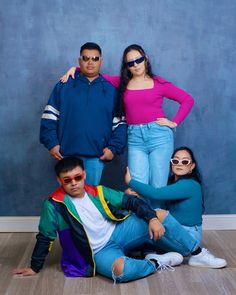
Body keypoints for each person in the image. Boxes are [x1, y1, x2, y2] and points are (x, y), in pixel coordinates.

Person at [13, 156, 210, 283]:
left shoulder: (97, 191)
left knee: (159, 214)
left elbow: (131, 202)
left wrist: (151, 218)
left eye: (77, 177)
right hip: (98, 251)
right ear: (59, 181)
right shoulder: (53, 204)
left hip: (119, 231)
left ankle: (197, 253)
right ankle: (156, 262)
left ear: (84, 175)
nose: (73, 183)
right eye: (67, 180)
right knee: (121, 271)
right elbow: (45, 236)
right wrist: (34, 266)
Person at [60, 44, 194, 207]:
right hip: (135, 138)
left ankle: (158, 226)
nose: (135, 65)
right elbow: (94, 73)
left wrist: (173, 122)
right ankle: (142, 227)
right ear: (127, 66)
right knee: (137, 185)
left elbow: (187, 100)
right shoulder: (122, 83)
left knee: (158, 185)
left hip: (159, 136)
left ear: (146, 59)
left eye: (138, 60)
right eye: (130, 63)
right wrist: (75, 68)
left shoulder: (159, 83)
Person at [125, 146, 227, 268]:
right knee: (144, 221)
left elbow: (156, 193)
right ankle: (166, 256)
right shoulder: (170, 183)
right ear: (171, 163)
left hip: (188, 236)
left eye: (185, 161)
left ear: (192, 167)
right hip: (172, 233)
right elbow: (154, 195)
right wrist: (130, 194)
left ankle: (198, 254)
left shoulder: (190, 185)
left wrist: (131, 182)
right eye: (175, 161)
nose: (179, 164)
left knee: (158, 214)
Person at [40, 42, 127, 185]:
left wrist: (113, 148)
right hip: (67, 155)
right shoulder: (64, 85)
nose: (90, 62)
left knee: (90, 201)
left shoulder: (112, 90)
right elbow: (49, 117)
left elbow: (120, 124)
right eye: (86, 58)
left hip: (96, 157)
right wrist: (52, 143)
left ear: (101, 61)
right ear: (79, 61)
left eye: (95, 58)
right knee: (69, 201)